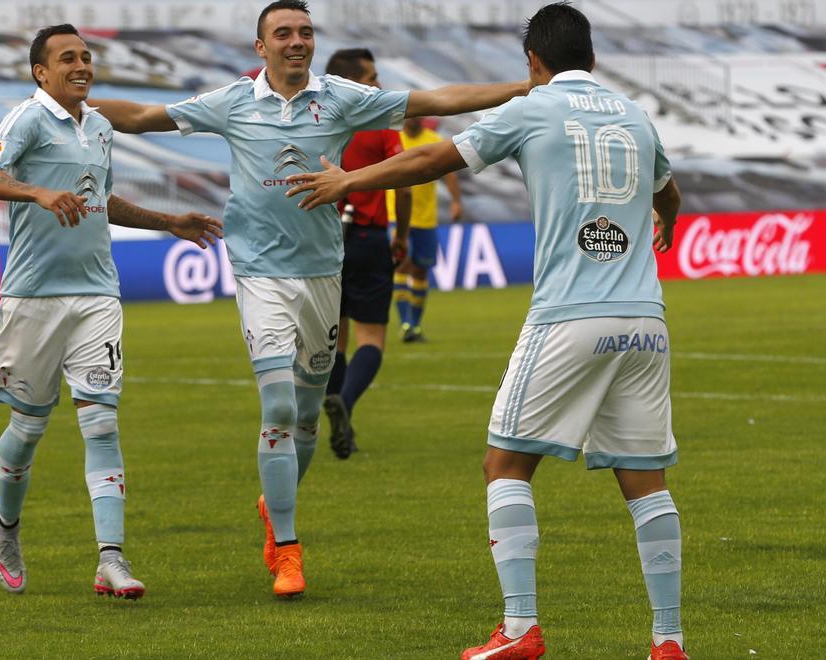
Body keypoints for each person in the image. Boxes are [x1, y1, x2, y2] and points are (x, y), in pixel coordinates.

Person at [89, 0, 532, 599]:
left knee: (304, 419)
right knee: (276, 408)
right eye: (283, 33)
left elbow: (437, 100)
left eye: (305, 31)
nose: (296, 41)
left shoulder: (343, 97)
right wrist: (71, 106)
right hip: (259, 272)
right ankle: (289, 552)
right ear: (261, 47)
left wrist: (526, 87)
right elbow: (142, 114)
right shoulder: (232, 101)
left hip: (324, 272)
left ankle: (276, 505)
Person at [285, 3, 687, 658]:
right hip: (645, 320)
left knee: (504, 463)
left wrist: (348, 180)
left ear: (533, 62)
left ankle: (522, 630)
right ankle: (669, 640)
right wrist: (664, 220)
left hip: (570, 315)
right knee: (645, 479)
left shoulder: (532, 108)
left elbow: (433, 161)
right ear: (593, 56)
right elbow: (668, 190)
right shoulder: (635, 115)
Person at [0, 24, 223, 600]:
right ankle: (6, 527)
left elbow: (100, 199)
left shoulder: (100, 125)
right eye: (68, 58)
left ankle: (111, 559)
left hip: (96, 294)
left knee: (102, 421)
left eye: (86, 56)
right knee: (28, 428)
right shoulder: (26, 119)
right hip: (34, 294)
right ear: (41, 72)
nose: (82, 64)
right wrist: (36, 192)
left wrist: (169, 222)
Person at [320, 48, 412, 460]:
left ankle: (334, 406)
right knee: (371, 337)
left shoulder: (317, 120)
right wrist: (402, 235)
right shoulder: (378, 120)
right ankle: (346, 403)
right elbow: (405, 183)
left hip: (324, 242)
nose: (378, 86)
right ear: (353, 83)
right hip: (369, 238)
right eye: (372, 78)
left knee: (334, 340)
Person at [389, 117, 463, 343]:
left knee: (421, 270)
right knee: (401, 265)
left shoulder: (433, 140)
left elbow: (449, 173)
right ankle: (405, 324)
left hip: (425, 218)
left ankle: (416, 325)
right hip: (398, 217)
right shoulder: (395, 140)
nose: (414, 117)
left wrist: (456, 201)